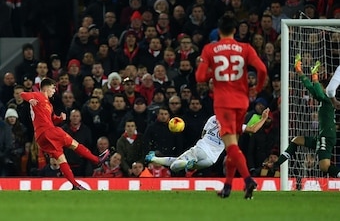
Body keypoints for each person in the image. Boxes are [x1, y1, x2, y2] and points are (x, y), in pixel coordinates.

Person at [195, 15, 267, 199]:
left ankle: (248, 179)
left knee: (232, 147)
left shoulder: (211, 49)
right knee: (232, 146)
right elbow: (262, 70)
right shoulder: (245, 48)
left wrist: (215, 71)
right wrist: (256, 89)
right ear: (235, 30)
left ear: (219, 31)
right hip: (242, 101)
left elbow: (200, 77)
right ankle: (227, 186)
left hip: (224, 103)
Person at [20, 78, 110, 190]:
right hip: (48, 131)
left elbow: (51, 120)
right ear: (46, 87)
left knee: (61, 159)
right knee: (74, 144)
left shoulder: (49, 105)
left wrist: (59, 118)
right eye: (53, 88)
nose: (54, 91)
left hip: (40, 137)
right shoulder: (39, 95)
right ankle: (97, 160)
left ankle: (74, 184)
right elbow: (23, 94)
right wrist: (30, 100)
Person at [145, 110, 269, 177]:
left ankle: (187, 162)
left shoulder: (213, 118)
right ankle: (153, 158)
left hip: (201, 148)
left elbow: (203, 135)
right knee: (180, 162)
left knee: (175, 166)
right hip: (211, 159)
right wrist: (263, 118)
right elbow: (253, 129)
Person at [275, 54, 340, 178]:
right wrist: (299, 72)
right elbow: (310, 87)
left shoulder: (327, 100)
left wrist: (315, 77)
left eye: (320, 87)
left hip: (326, 135)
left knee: (324, 166)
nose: (318, 90)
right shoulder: (322, 99)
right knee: (297, 140)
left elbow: (318, 92)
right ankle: (277, 164)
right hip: (322, 135)